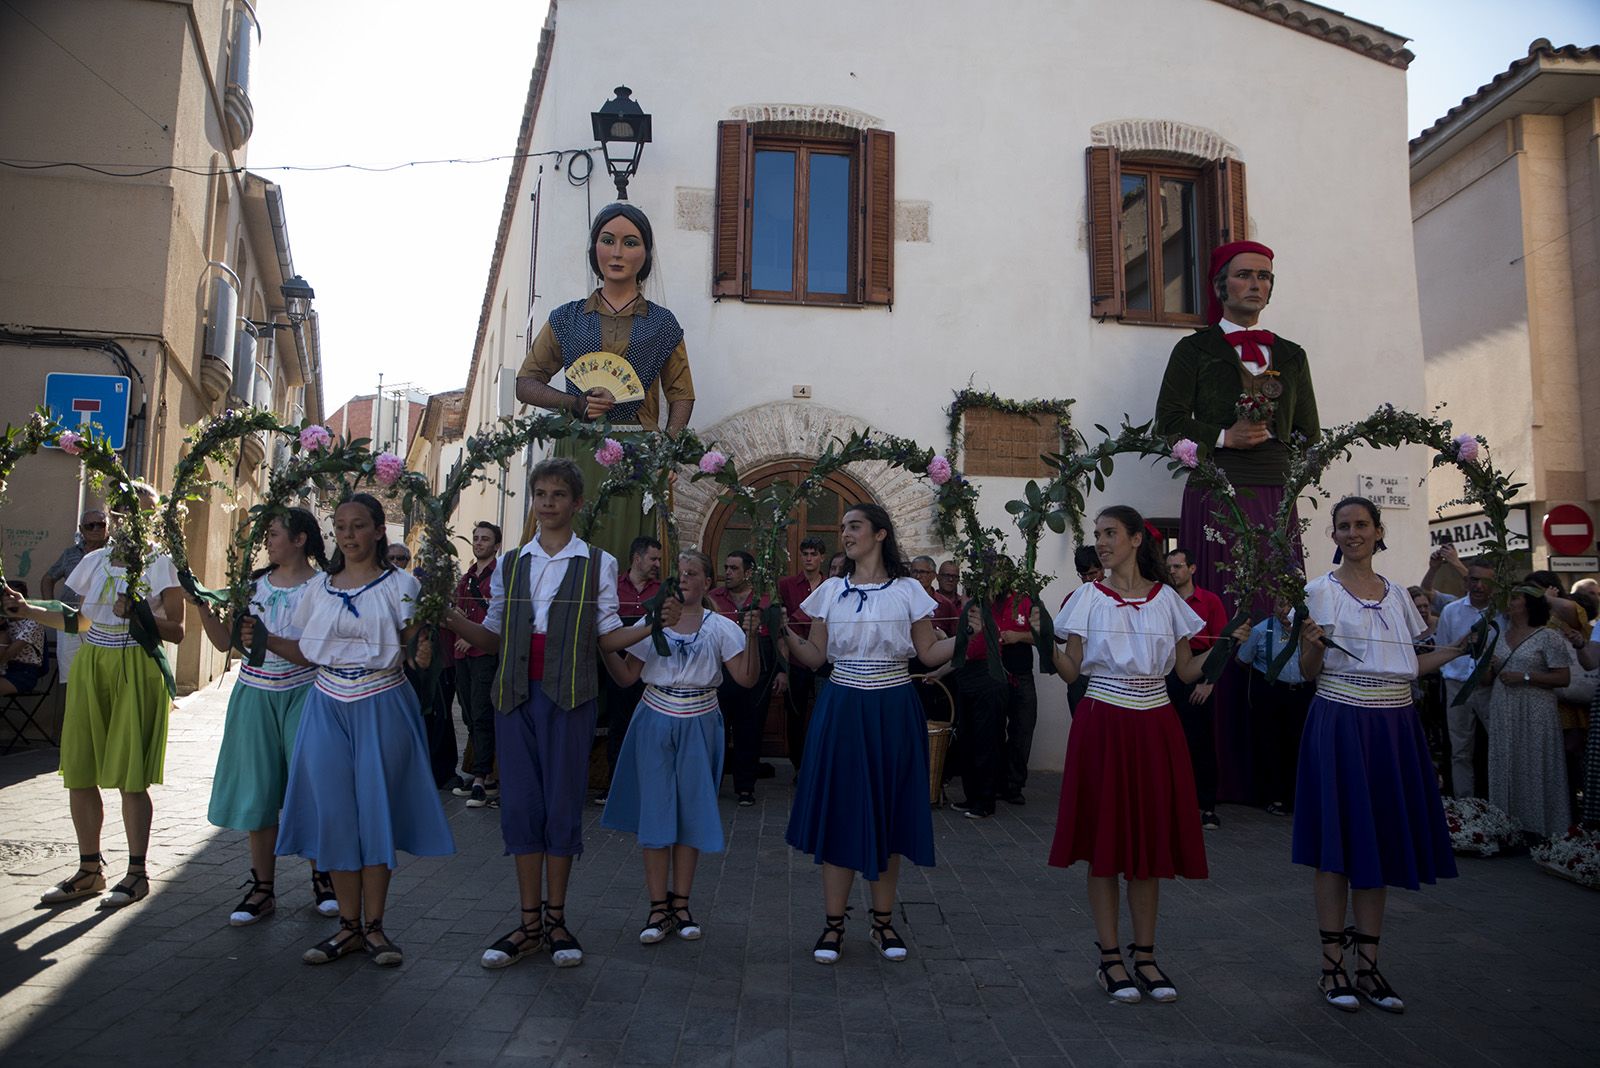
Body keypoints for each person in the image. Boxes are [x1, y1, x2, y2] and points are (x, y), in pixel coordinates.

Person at [1044, 506, 1243, 1005]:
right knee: (1104, 842)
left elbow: (1186, 672)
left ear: (1136, 538)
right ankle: (1110, 958)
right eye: (1097, 535)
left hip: (1156, 723)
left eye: (1110, 534)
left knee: (1148, 847)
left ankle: (1147, 956)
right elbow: (1072, 673)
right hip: (1103, 721)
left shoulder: (1169, 603)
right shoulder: (1087, 598)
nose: (1101, 543)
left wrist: (1226, 646)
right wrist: (1044, 642)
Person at [247, 494, 454, 967]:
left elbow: (412, 647)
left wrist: (421, 651)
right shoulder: (318, 588)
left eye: (359, 525)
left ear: (380, 531)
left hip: (382, 700)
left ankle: (376, 927)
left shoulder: (401, 583)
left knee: (374, 810)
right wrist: (266, 640)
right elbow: (305, 649)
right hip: (326, 702)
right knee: (336, 813)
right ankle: (346, 926)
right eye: (340, 526)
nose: (348, 534)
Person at [446, 458, 637, 971]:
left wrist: (653, 625)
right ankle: (529, 922)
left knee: (562, 804)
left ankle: (556, 919)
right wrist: (446, 615)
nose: (547, 502)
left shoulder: (599, 561)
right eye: (540, 494)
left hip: (571, 696)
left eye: (558, 494)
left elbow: (607, 635)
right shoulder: (512, 563)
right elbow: (492, 636)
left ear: (576, 503)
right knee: (520, 806)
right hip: (515, 696)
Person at [1156, 240, 1320, 805]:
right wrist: (1223, 436)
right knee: (1219, 608)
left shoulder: (1292, 355)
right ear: (1221, 286)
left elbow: (1309, 434)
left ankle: (1274, 770)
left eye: (1265, 277)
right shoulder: (1195, 349)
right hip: (1216, 487)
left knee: (1276, 610)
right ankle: (1216, 767)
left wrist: (1289, 454)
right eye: (1245, 276)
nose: (1256, 285)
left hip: (1276, 493)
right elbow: (1167, 424)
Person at [1294, 496, 1470, 1014]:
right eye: (1343, 526)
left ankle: (1368, 968)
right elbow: (1308, 672)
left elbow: (1408, 666)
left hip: (1394, 726)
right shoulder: (1317, 593)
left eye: (1361, 525)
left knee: (1377, 842)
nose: (1353, 533)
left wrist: (1462, 649)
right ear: (1333, 535)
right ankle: (1331, 968)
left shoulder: (1397, 595)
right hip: (1341, 721)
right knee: (1337, 844)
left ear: (1377, 530)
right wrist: (1310, 644)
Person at [779, 503, 959, 965]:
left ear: (881, 533)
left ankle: (883, 922)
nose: (845, 535)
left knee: (889, 810)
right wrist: (782, 636)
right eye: (842, 528)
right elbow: (817, 657)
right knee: (840, 809)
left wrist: (976, 636)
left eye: (854, 526)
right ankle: (833, 925)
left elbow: (929, 652)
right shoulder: (830, 591)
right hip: (841, 706)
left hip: (893, 705)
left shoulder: (907, 591)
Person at [5, 484, 184, 910]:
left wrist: (139, 612)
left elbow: (176, 629)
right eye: (119, 512)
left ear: (152, 517)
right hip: (92, 664)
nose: (125, 520)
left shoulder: (160, 563)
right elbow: (81, 622)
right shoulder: (94, 560)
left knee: (130, 775)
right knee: (80, 769)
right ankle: (90, 870)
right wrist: (27, 609)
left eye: (135, 512)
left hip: (137, 668)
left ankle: (136, 874)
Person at [515, 203, 694, 563]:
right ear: (594, 248)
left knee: (634, 548)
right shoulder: (565, 318)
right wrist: (575, 404)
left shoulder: (663, 324)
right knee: (567, 538)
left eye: (630, 243)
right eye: (608, 240)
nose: (617, 252)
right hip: (577, 448)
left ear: (645, 255)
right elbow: (526, 383)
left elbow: (682, 395)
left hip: (640, 452)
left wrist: (667, 453)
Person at [600, 550, 759, 944]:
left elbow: (746, 678)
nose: (684, 579)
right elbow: (625, 678)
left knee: (690, 814)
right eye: (680, 573)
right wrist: (602, 645)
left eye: (693, 573)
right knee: (656, 813)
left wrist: (753, 634)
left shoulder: (721, 626)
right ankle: (657, 907)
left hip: (702, 719)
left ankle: (682, 903)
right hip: (655, 716)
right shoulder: (653, 622)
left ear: (708, 582)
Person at [195, 508, 339, 924]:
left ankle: (323, 878)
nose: (267, 541)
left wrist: (269, 640)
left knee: (311, 788)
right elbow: (226, 643)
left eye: (274, 534)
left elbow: (317, 650)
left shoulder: (323, 587)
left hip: (305, 693)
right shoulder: (252, 585)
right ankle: (262, 888)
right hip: (255, 694)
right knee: (256, 793)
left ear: (299, 539)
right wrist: (202, 606)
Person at [1486, 582, 1571, 841]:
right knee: (1506, 760)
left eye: (1515, 598)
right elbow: (1485, 680)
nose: (1509, 603)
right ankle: (1507, 825)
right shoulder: (1498, 635)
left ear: (1529, 603)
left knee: (1535, 761)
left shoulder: (1548, 636)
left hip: (1536, 708)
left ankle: (1542, 825)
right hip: (1503, 705)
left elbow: (1563, 678)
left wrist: (1525, 676)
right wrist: (1487, 665)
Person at [951, 587, 1037, 817]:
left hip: (990, 681)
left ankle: (989, 799)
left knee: (990, 740)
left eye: (967, 596)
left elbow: (970, 652)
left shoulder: (988, 618)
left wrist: (943, 649)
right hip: (968, 682)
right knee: (968, 740)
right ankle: (972, 797)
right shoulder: (969, 617)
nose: (963, 600)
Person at [712, 550, 785, 806]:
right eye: (726, 568)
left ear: (749, 573)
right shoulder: (713, 599)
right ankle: (711, 785)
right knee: (716, 733)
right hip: (720, 678)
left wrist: (782, 670)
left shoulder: (765, 602)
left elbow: (778, 639)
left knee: (750, 732)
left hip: (757, 678)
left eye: (733, 568)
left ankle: (745, 787)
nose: (728, 573)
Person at [1164, 548, 1229, 830]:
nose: (1173, 572)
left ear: (1191, 568)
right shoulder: (1163, 601)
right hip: (1167, 674)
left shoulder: (1210, 601)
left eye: (1178, 566)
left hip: (1198, 674)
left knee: (1199, 742)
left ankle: (1206, 807)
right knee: (1167, 742)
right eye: (1169, 567)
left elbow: (1222, 645)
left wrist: (1208, 682)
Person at [596, 535, 662, 804]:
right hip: (611, 662)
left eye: (659, 559)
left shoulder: (662, 591)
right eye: (653, 558)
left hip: (648, 666)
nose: (658, 564)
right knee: (617, 723)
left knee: (646, 726)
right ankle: (614, 783)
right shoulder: (611, 586)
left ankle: (644, 786)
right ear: (637, 558)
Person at [1236, 597, 1311, 815]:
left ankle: (1296, 795)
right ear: (1274, 606)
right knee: (1270, 744)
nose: (1285, 610)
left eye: (1290, 605)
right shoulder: (1261, 630)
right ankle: (1273, 796)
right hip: (1271, 692)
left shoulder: (1308, 630)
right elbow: (1242, 660)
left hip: (1301, 693)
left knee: (1297, 743)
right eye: (1281, 605)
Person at [1432, 559, 1499, 797]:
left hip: (1492, 687)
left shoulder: (1501, 612)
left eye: (1485, 581)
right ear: (1465, 581)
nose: (1479, 586)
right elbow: (1442, 649)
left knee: (1500, 747)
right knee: (1460, 750)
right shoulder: (1452, 610)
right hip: (1457, 685)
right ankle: (1465, 807)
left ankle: (1503, 802)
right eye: (1474, 579)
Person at [450, 521, 503, 808]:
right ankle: (480, 771)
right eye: (476, 538)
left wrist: (473, 638)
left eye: (485, 539)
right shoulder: (467, 576)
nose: (479, 542)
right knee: (469, 714)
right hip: (461, 654)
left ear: (496, 545)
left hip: (483, 653)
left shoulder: (499, 576)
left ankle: (484, 778)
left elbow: (498, 613)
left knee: (482, 714)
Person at [39, 508, 109, 683]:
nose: (95, 529)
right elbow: (48, 578)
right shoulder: (70, 554)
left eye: (100, 525)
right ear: (82, 528)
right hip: (70, 618)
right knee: (71, 674)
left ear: (108, 527)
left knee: (101, 675)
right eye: (90, 525)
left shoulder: (117, 553)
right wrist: (52, 608)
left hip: (103, 621)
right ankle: (71, 710)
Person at [778, 536, 828, 770]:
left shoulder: (830, 585)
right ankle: (798, 765)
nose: (809, 558)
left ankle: (820, 762)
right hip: (796, 660)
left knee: (824, 715)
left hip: (824, 661)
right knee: (795, 714)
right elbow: (782, 624)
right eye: (805, 554)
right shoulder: (787, 585)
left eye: (814, 554)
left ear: (821, 557)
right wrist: (783, 667)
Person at [0, 580, 46, 696]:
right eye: (6, 596)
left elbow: (8, 654)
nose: (10, 600)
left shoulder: (34, 622)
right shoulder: (4, 620)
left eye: (14, 596)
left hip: (24, 672)